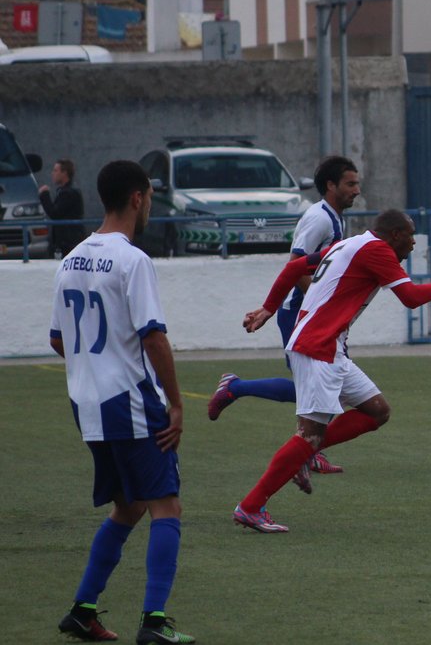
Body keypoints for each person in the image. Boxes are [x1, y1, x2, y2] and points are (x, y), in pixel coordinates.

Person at [232, 209, 431, 532]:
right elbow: (411, 298)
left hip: (328, 347)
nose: (414, 243)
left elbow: (293, 268)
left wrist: (268, 309)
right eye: (410, 236)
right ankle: (251, 507)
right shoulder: (377, 250)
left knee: (377, 411)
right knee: (309, 435)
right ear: (395, 235)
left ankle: (302, 456)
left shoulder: (350, 244)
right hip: (318, 347)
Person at [50, 160, 194, 643]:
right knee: (166, 506)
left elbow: (58, 339)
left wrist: (95, 364)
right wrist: (176, 404)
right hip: (129, 400)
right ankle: (154, 622)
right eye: (149, 197)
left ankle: (82, 610)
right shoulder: (133, 260)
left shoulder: (70, 259)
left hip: (87, 405)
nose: (149, 205)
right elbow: (154, 338)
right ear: (137, 198)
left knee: (129, 507)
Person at [208, 155, 362, 476]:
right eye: (350, 184)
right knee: (320, 387)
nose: (357, 190)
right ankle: (236, 388)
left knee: (323, 386)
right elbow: (296, 264)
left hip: (313, 315)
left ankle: (309, 448)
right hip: (301, 314)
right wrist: (321, 307)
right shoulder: (319, 218)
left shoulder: (334, 217)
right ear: (331, 186)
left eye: (357, 183)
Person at [39, 158, 86, 258]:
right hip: (67, 241)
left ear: (64, 173)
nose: (52, 173)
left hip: (68, 243)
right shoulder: (65, 191)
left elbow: (55, 213)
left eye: (56, 170)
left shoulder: (68, 193)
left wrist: (44, 194)